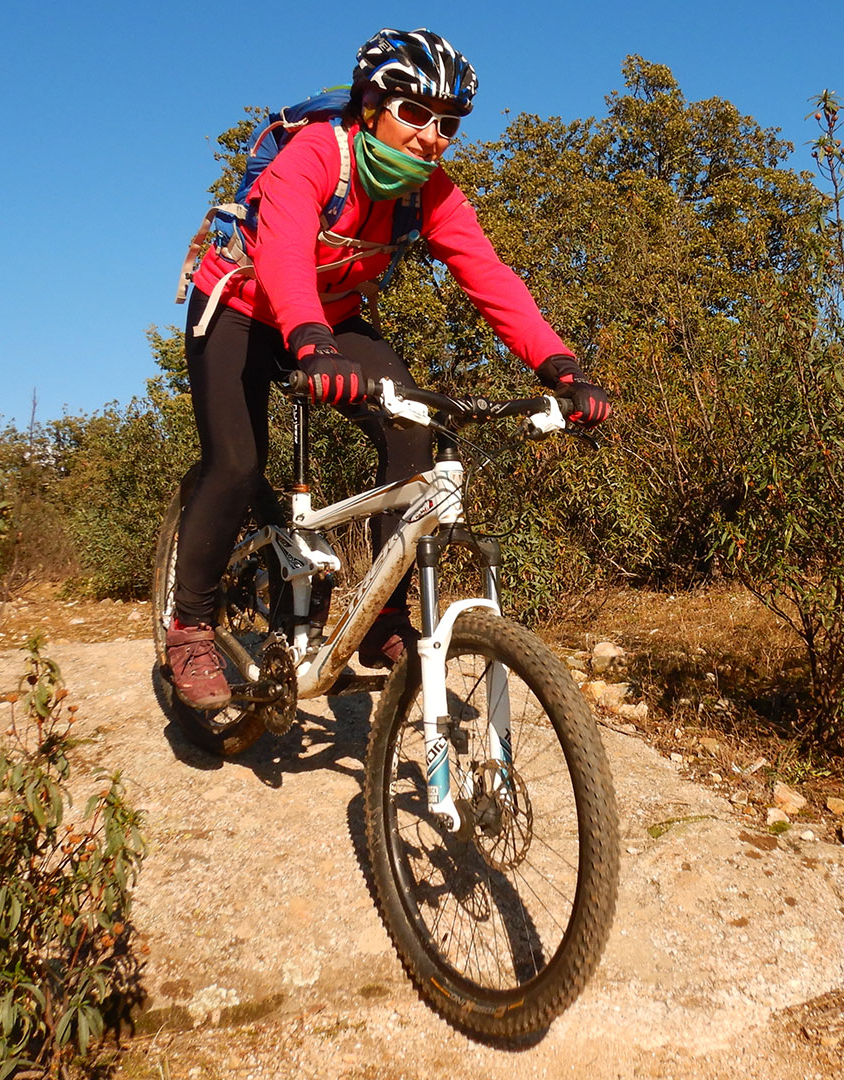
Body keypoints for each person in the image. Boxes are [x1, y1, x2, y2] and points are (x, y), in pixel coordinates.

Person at [167, 28, 611, 711]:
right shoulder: (317, 154)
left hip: (329, 318)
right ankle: (191, 626)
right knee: (236, 462)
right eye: (414, 114)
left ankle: (380, 618)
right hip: (242, 302)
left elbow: (489, 277)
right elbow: (284, 252)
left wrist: (560, 366)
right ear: (371, 105)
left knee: (412, 431)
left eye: (448, 123)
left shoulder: (430, 192)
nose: (432, 136)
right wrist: (312, 343)